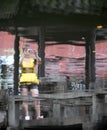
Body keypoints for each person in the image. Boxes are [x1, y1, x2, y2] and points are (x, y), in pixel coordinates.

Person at [19, 44, 43, 120]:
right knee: (24, 99)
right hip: (24, 82)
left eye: (29, 50)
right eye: (26, 50)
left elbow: (39, 61)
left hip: (33, 81)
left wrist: (36, 54)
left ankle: (38, 116)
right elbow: (19, 63)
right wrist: (23, 54)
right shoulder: (22, 59)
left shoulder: (34, 60)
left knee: (36, 97)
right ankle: (27, 116)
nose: (28, 52)